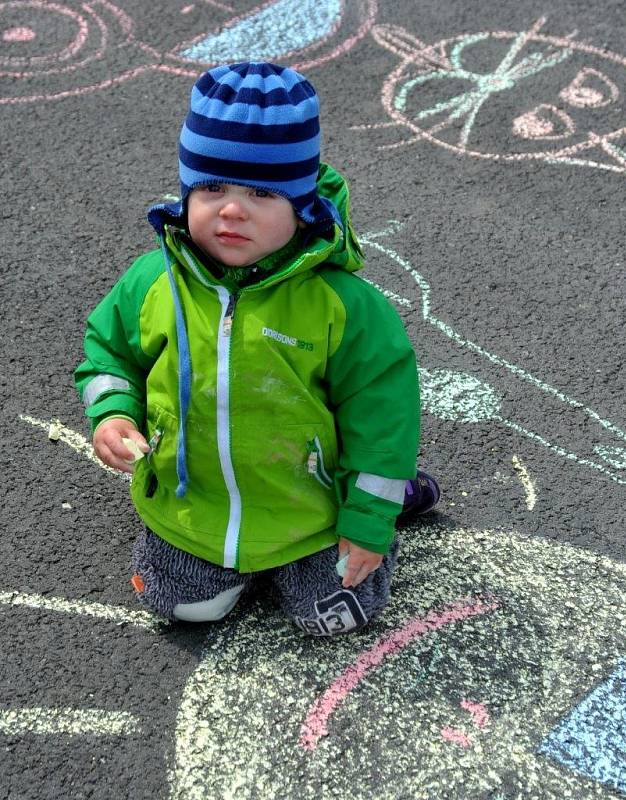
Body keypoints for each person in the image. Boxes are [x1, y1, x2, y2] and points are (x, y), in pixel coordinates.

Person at [75, 62, 439, 636]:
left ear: (302, 205)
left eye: (262, 192)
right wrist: (112, 413)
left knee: (336, 617)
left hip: (309, 515)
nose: (231, 210)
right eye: (212, 187)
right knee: (179, 608)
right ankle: (224, 555)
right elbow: (108, 353)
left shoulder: (342, 306)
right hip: (191, 511)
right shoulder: (153, 283)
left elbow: (383, 418)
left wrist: (367, 521)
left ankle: (393, 500)